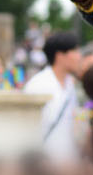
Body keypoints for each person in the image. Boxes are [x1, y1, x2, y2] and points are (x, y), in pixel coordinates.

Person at [24, 31, 81, 162]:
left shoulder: (69, 84)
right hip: (43, 166)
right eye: (75, 51)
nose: (79, 57)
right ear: (60, 55)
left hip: (67, 164)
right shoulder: (37, 85)